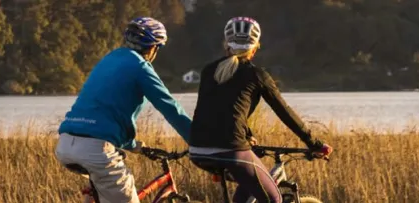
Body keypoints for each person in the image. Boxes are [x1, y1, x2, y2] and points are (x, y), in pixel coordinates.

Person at [186, 17, 333, 203]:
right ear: (254, 49)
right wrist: (315, 143)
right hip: (230, 150)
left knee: (247, 187)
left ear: (226, 45)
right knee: (274, 199)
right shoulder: (256, 75)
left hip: (197, 150)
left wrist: (247, 135)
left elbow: (221, 109)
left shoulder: (209, 71)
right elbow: (284, 112)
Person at [54, 17, 193, 203]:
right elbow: (170, 107)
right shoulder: (140, 67)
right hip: (95, 151)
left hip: (65, 145)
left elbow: (104, 113)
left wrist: (132, 145)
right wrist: (197, 140)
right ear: (153, 48)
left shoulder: (109, 59)